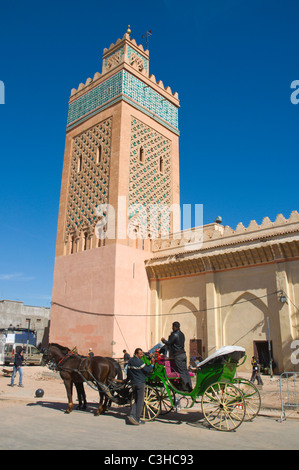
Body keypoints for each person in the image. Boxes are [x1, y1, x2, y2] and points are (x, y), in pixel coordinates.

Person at [161, 321, 192, 392]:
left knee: (181, 372)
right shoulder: (182, 334)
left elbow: (169, 343)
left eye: (173, 327)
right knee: (185, 371)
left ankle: (186, 387)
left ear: (175, 327)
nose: (172, 328)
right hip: (183, 354)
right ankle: (189, 386)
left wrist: (163, 340)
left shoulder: (175, 335)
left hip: (178, 355)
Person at [126, 348, 155, 425]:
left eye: (142, 354)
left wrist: (128, 379)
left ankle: (132, 415)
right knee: (140, 401)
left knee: (136, 400)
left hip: (133, 383)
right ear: (136, 354)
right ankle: (137, 419)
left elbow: (128, 372)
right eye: (140, 354)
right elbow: (147, 370)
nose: (142, 355)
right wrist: (152, 364)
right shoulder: (140, 362)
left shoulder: (130, 361)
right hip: (140, 383)